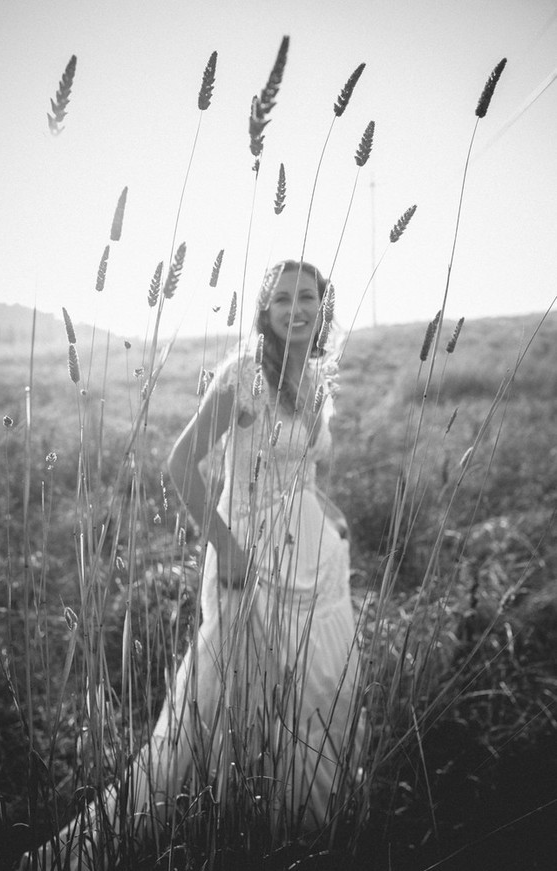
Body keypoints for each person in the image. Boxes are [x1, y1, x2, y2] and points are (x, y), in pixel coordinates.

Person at [23, 259, 364, 869]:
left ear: (323, 306)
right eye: (282, 299)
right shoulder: (244, 377)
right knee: (221, 700)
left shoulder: (315, 378)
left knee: (317, 693)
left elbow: (303, 473)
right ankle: (144, 832)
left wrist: (332, 516)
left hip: (318, 563)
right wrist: (228, 548)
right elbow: (181, 465)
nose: (296, 309)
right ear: (265, 311)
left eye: (308, 297)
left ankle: (302, 822)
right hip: (252, 563)